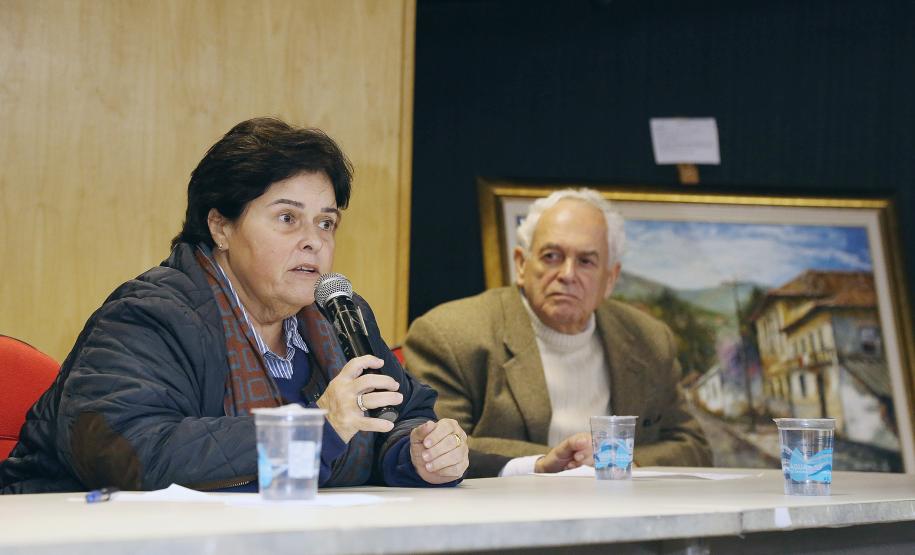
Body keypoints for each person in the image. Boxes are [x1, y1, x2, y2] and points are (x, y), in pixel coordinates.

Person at [0, 117, 468, 494]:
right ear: (221, 227)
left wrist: (417, 453)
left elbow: (400, 410)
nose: (313, 242)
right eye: (288, 218)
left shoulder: (339, 316)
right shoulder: (148, 315)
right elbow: (130, 451)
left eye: (326, 223)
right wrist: (312, 429)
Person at [404, 188, 711, 478]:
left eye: (586, 261)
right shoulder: (449, 334)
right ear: (521, 265)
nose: (567, 275)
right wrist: (554, 460)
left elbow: (692, 446)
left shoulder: (650, 340)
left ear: (610, 278)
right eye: (552, 256)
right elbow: (431, 446)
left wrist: (622, 458)